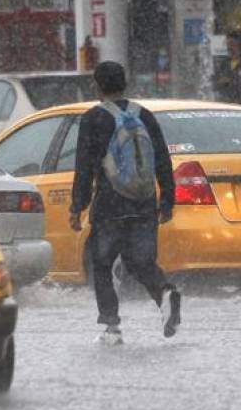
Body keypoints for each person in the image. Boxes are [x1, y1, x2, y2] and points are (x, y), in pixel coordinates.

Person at [69, 61, 182, 345]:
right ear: (125, 84)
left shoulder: (94, 118)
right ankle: (165, 294)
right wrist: (167, 199)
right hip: (144, 202)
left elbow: (84, 167)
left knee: (103, 263)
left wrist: (77, 206)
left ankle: (111, 327)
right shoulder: (144, 115)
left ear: (97, 86)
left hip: (110, 204)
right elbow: (162, 160)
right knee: (141, 261)